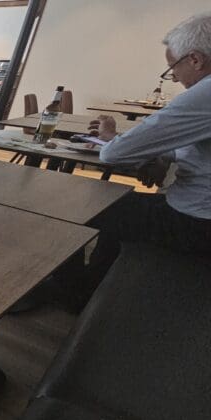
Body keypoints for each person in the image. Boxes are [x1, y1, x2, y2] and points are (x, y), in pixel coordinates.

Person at [80, 11, 211, 297]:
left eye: (172, 68)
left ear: (195, 60)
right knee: (125, 207)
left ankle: (77, 292)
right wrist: (159, 158)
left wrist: (112, 141)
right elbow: (196, 149)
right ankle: (103, 287)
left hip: (198, 223)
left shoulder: (206, 92)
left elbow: (113, 155)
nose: (174, 78)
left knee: (85, 205)